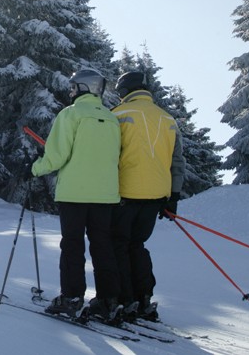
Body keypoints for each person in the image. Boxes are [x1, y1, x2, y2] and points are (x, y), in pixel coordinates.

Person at [28, 68, 123, 322]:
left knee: (72, 245)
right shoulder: (111, 118)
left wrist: (35, 168)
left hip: (75, 194)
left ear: (83, 88)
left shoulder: (71, 114)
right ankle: (108, 299)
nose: (70, 92)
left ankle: (71, 297)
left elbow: (57, 156)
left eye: (73, 87)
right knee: (102, 245)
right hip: (105, 195)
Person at [109, 71, 185, 322]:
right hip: (157, 196)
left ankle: (124, 299)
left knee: (118, 244)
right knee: (137, 244)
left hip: (125, 192)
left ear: (124, 91)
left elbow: (107, 155)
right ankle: (144, 298)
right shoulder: (167, 118)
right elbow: (177, 162)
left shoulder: (118, 115)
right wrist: (173, 196)